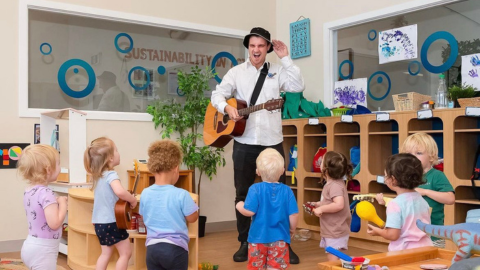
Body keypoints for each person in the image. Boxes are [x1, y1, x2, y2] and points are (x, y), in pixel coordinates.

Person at [211, 26, 305, 263]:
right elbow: (217, 96)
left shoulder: (277, 70)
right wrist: (227, 108)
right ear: (248, 48)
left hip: (273, 141)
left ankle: (283, 242)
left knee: (281, 194)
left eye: (261, 46)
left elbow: (297, 86)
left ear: (267, 49)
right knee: (242, 193)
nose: (256, 50)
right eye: (252, 45)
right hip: (244, 141)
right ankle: (245, 241)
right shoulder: (236, 72)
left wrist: (286, 58)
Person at [139, 140, 199, 270]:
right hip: (175, 249)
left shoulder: (145, 193)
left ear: (153, 169)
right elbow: (192, 218)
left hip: (152, 249)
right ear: (176, 168)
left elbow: (144, 218)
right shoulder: (181, 194)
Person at [236, 148, 299, 269]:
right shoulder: (287, 191)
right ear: (282, 171)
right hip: (280, 238)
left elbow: (249, 211)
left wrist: (239, 205)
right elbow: (294, 215)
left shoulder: (255, 189)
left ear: (257, 171)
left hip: (257, 239)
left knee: (256, 267)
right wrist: (292, 229)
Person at [84, 137, 137, 270]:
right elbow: (119, 191)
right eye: (116, 150)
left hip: (99, 223)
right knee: (125, 253)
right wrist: (132, 199)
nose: (119, 153)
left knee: (105, 253)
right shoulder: (111, 175)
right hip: (113, 222)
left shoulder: (97, 176)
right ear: (110, 158)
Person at [367, 153, 433, 251]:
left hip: (404, 252)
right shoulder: (422, 200)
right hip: (426, 248)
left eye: (386, 176)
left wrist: (378, 232)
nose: (385, 179)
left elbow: (393, 235)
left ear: (393, 179)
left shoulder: (395, 204)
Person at [399, 132, 455, 248]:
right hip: (411, 235)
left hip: (433, 236)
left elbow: (450, 199)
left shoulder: (436, 175)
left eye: (418, 153)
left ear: (431, 156)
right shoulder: (406, 176)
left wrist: (425, 192)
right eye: (409, 154)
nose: (413, 157)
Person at [18, 144, 67, 270]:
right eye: (58, 164)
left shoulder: (29, 190)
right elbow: (55, 223)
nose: (60, 168)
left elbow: (39, 209)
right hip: (44, 250)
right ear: (48, 169)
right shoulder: (46, 193)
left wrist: (54, 202)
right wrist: (63, 204)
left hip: (30, 245)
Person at [307, 151, 352, 262]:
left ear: (326, 170)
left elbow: (339, 204)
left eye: (322, 161)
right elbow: (331, 201)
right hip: (335, 229)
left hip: (335, 231)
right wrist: (318, 204)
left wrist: (321, 209)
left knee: (333, 261)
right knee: (339, 260)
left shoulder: (334, 186)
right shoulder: (335, 183)